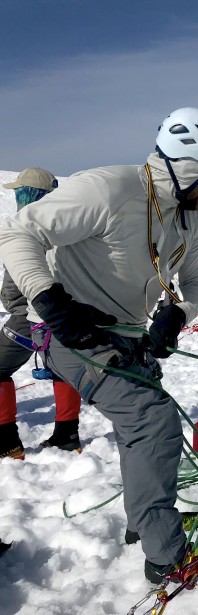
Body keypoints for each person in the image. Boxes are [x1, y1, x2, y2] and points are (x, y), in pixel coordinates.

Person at [0, 107, 198, 583]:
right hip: (71, 331)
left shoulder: (192, 220)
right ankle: (166, 556)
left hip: (127, 335)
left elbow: (196, 283)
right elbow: (17, 231)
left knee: (144, 426)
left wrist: (177, 315)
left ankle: (149, 526)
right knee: (152, 421)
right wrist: (48, 300)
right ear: (191, 168)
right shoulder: (111, 188)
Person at [0, 168, 84, 460]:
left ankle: (6, 442)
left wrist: (16, 312)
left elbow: (14, 288)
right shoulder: (72, 228)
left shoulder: (24, 228)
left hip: (30, 317)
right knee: (63, 370)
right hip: (68, 315)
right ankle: (67, 434)